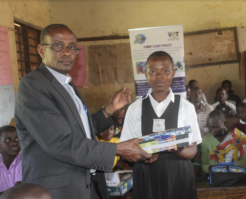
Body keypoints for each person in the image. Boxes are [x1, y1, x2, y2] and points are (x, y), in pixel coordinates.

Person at [14, 24, 150, 199]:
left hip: (85, 182)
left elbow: (79, 130)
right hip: (58, 190)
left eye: (72, 47)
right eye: (58, 45)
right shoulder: (33, 85)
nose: (67, 52)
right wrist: (118, 149)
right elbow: (60, 143)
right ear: (41, 50)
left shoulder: (67, 84)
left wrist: (109, 108)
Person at [120, 51, 202, 199]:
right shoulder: (134, 108)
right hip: (146, 176)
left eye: (165, 71)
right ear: (145, 73)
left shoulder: (186, 107)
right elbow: (126, 150)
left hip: (179, 175)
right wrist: (142, 156)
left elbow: (193, 150)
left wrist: (172, 147)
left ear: (173, 73)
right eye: (152, 71)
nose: (159, 76)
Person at [0, 126, 22, 194]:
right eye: (8, 140)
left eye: (17, 139)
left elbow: (18, 191)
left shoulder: (24, 161)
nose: (14, 142)